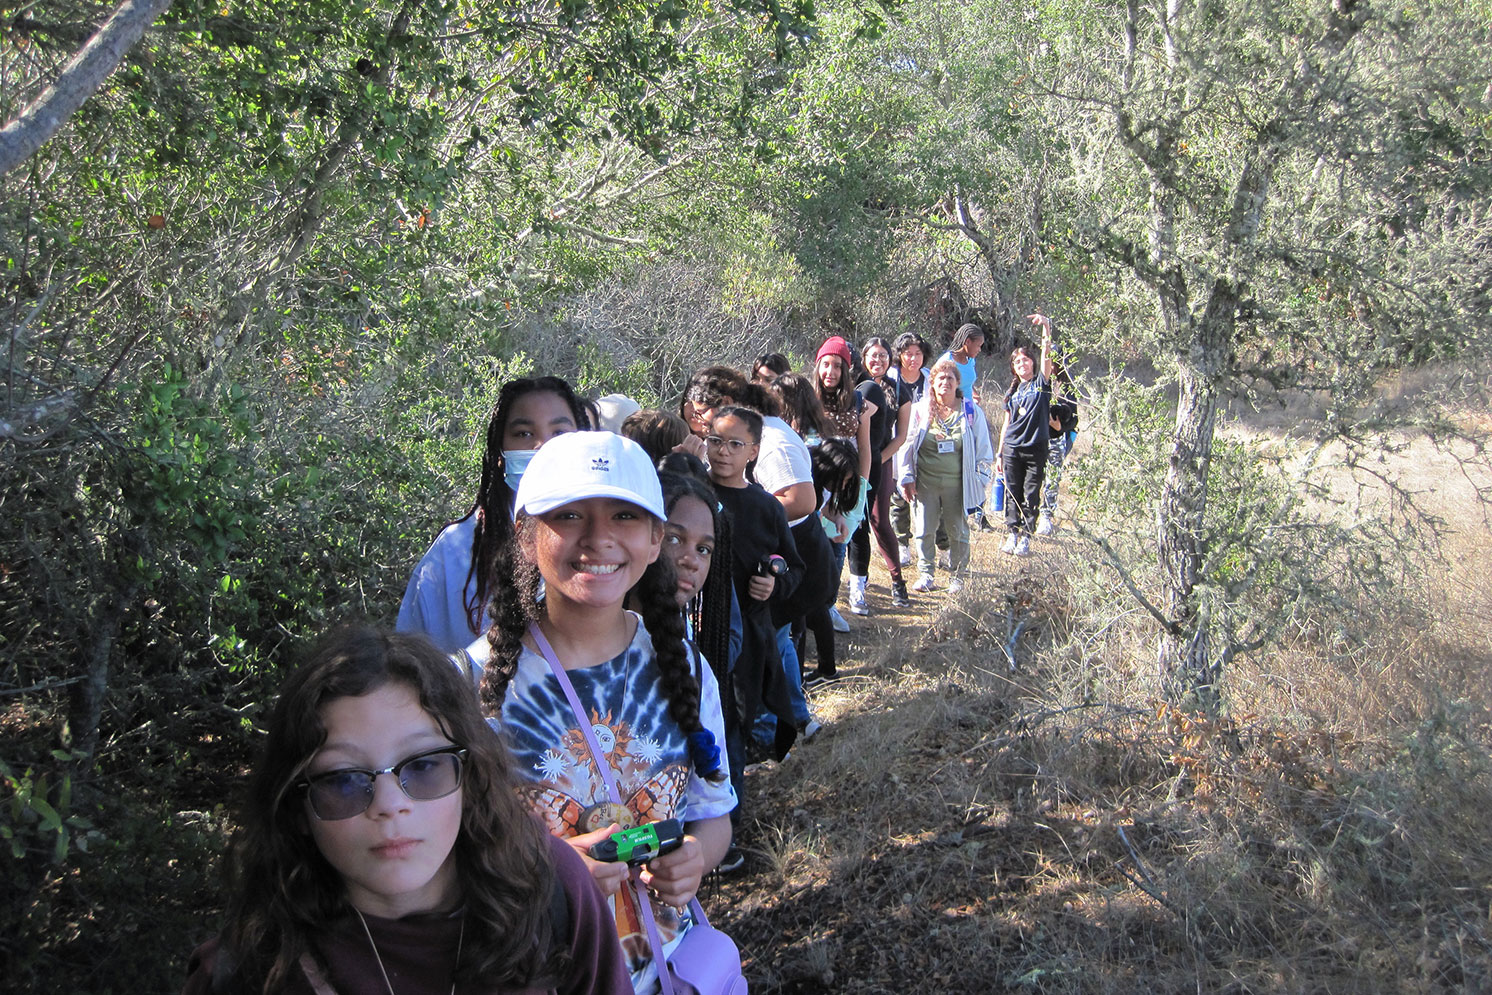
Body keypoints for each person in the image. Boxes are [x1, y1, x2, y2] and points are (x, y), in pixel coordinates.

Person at [183, 626, 631, 995]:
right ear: (297, 807)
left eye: (424, 767)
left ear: (469, 778)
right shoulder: (248, 972)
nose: (390, 806)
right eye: (342, 780)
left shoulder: (551, 892)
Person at [469, 431, 738, 995]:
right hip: (539, 971)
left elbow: (713, 813)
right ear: (525, 534)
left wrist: (694, 857)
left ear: (654, 538)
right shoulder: (470, 684)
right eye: (568, 515)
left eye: (624, 515)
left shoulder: (687, 668)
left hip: (668, 965)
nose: (599, 538)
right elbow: (445, 858)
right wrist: (556, 873)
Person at [397, 376, 590, 653]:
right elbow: (413, 658)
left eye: (559, 433)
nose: (542, 447)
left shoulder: (607, 543)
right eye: (524, 433)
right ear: (500, 452)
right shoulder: (454, 551)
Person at [895, 358, 994, 593]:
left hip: (958, 485)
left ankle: (957, 576)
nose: (945, 383)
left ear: (958, 382)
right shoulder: (920, 410)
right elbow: (907, 445)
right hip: (925, 484)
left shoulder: (970, 411)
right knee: (924, 530)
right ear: (932, 382)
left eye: (950, 378)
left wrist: (979, 481)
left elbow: (984, 451)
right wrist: (906, 477)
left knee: (958, 531)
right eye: (941, 378)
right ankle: (926, 574)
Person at [812, 337, 877, 630]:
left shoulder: (857, 401)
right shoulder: (807, 399)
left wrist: (860, 487)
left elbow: (864, 447)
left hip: (846, 483)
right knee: (812, 543)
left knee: (839, 544)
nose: (831, 371)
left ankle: (828, 606)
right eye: (826, 364)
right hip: (814, 482)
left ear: (846, 370)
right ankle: (809, 606)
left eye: (837, 366)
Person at [848, 336, 913, 611]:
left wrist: (878, 461)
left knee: (879, 519)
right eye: (873, 356)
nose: (878, 361)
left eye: (883, 356)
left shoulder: (900, 390)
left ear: (891, 358)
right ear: (864, 358)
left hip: (882, 459)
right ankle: (856, 582)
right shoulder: (855, 386)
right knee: (857, 520)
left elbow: (901, 436)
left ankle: (897, 581)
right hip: (853, 460)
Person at [996, 314, 1059, 556]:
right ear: (1013, 367)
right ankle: (1012, 533)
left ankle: (1026, 537)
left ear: (1032, 363)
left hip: (1035, 447)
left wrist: (1046, 327)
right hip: (1012, 448)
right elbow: (1006, 424)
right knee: (1013, 492)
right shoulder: (1012, 393)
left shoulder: (1041, 385)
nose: (1022, 364)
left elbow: (1047, 355)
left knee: (1031, 494)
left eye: (1026, 360)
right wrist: (1000, 453)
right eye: (1017, 362)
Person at [887, 332, 931, 565]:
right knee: (898, 496)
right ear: (899, 356)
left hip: (924, 446)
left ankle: (933, 546)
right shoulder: (891, 379)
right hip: (897, 442)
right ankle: (902, 544)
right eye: (908, 354)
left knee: (927, 495)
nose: (913, 359)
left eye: (918, 354)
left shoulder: (930, 378)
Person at [1037, 361, 1079, 536]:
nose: (1051, 366)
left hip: (1056, 441)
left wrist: (1058, 426)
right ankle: (1029, 512)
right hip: (1035, 439)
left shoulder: (1067, 388)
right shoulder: (1037, 383)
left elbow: (1074, 419)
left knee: (1052, 478)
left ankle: (1046, 515)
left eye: (1054, 363)